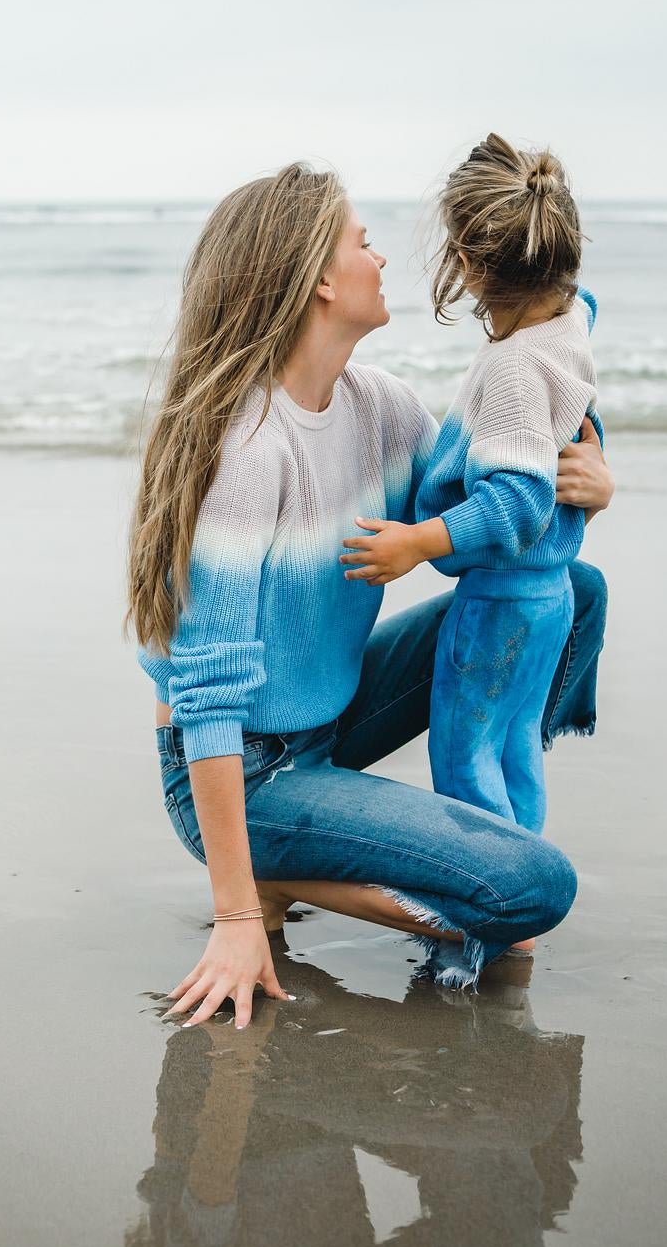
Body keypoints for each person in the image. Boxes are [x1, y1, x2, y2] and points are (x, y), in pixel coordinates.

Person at [128, 163, 612, 1022]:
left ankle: (491, 796)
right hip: (245, 772)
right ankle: (266, 876)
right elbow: (207, 695)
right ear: (319, 277)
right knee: (534, 889)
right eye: (362, 241)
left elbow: (487, 511)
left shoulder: (380, 408)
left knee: (575, 590)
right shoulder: (248, 452)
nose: (382, 258)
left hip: (330, 716)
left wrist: (588, 470)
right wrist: (239, 916)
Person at [338, 134, 600, 837]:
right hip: (550, 595)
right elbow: (589, 323)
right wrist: (592, 442)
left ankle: (486, 903)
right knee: (514, 752)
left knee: (464, 757)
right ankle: (522, 898)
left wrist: (418, 544)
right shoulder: (573, 322)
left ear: (470, 265)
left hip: (498, 604)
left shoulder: (516, 369)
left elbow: (517, 502)